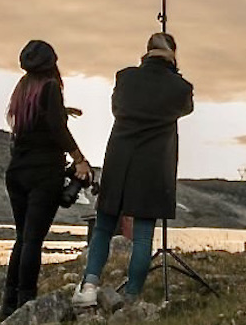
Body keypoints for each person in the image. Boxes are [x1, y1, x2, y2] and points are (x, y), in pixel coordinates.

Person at [72, 32, 194, 306]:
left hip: (120, 160)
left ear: (147, 51)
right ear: (173, 54)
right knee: (143, 235)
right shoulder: (181, 88)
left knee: (103, 226)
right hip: (153, 168)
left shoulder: (125, 78)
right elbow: (186, 109)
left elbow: (117, 107)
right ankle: (132, 298)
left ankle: (89, 287)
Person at [1, 40, 91, 318]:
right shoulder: (50, 87)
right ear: (52, 63)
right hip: (43, 173)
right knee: (33, 241)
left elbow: (36, 124)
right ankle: (27, 304)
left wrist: (61, 111)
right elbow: (55, 129)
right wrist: (79, 159)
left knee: (22, 239)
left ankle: (9, 304)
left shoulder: (23, 88)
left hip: (17, 171)